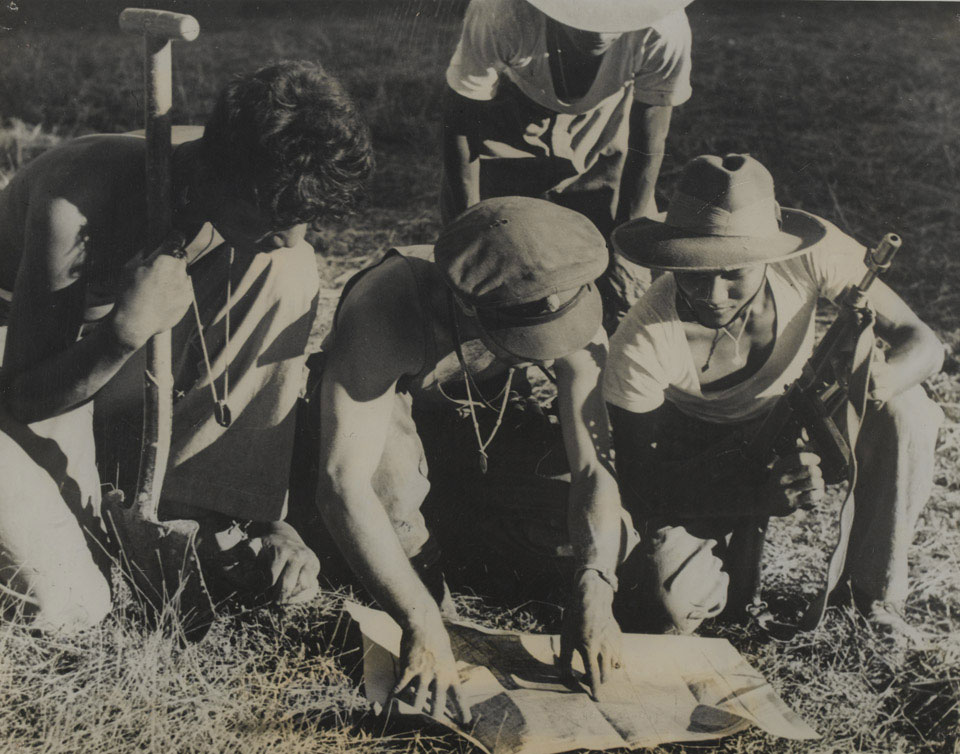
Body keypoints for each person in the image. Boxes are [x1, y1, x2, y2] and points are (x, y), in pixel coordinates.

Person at [0, 60, 373, 631]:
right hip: (24, 363)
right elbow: (25, 394)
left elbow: (275, 248)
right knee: (70, 605)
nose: (290, 235)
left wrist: (262, 517)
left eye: (302, 220)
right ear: (220, 175)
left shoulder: (250, 199)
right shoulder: (76, 195)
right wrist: (123, 332)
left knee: (290, 269)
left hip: (103, 358)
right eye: (271, 217)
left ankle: (206, 507)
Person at [603, 154, 943, 639]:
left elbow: (923, 342)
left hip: (795, 417)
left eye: (735, 272)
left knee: (909, 410)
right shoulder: (641, 341)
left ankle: (874, 602)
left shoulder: (807, 256)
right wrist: (753, 496)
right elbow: (640, 485)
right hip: (697, 451)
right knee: (664, 608)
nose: (713, 293)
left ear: (769, 254)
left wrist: (880, 381)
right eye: (694, 270)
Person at [312, 196, 625, 720]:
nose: (547, 351)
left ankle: (467, 536)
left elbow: (594, 466)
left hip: (487, 430)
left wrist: (596, 582)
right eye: (524, 340)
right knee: (387, 481)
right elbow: (342, 481)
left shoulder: (564, 287)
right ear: (468, 306)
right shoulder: (386, 306)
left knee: (609, 537)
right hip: (392, 433)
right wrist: (419, 619)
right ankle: (422, 565)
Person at [440, 0, 693, 329]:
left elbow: (648, 141)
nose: (601, 28)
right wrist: (469, 233)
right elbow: (461, 123)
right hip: (507, 124)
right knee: (489, 282)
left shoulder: (664, 28)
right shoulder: (501, 12)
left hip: (603, 131)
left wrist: (625, 246)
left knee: (626, 289)